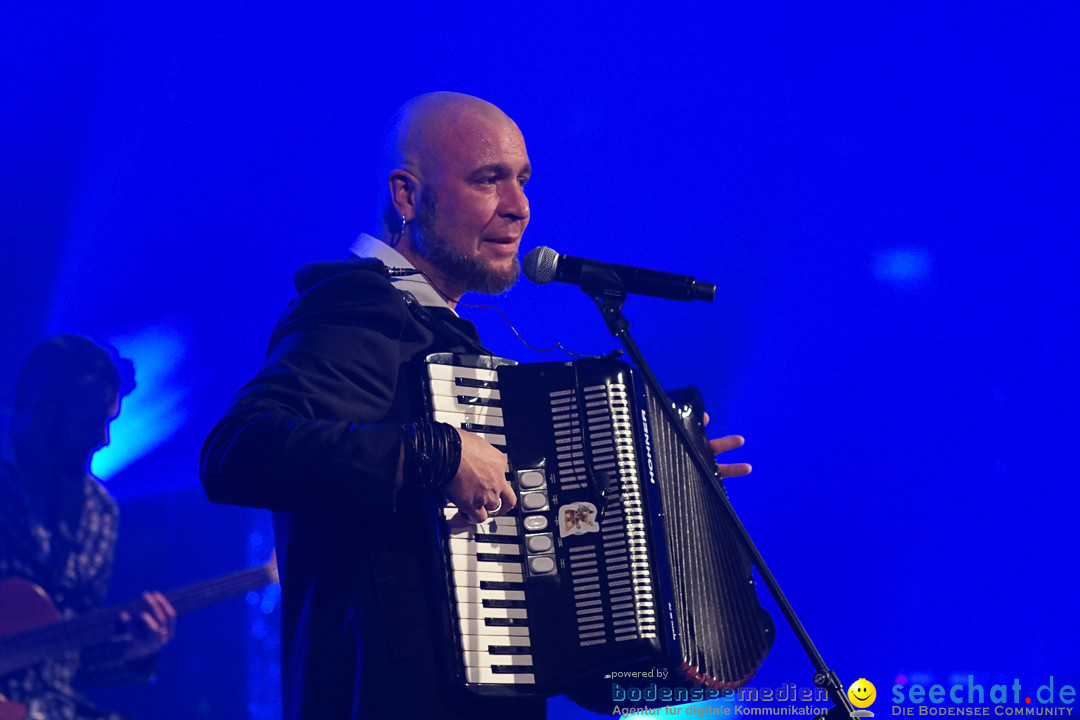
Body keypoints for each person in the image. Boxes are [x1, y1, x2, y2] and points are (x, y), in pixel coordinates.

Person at [199, 91, 750, 719]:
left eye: (522, 180)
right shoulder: (355, 305)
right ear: (407, 197)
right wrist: (441, 452)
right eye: (488, 180)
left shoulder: (441, 335)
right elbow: (237, 450)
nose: (519, 208)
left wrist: (656, 493)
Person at [0, 334, 177, 720]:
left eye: (110, 422)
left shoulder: (100, 512)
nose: (104, 439)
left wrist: (135, 650)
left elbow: (72, 657)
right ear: (44, 413)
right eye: (91, 424)